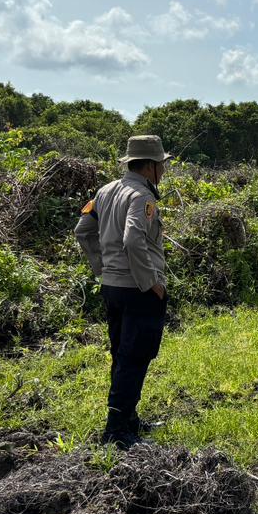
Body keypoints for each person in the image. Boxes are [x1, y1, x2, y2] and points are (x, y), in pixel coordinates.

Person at [75, 135, 170, 449]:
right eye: (162, 165)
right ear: (149, 166)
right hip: (137, 290)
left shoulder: (105, 191)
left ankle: (128, 418)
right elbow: (132, 238)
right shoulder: (142, 197)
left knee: (122, 353)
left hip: (112, 286)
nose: (164, 170)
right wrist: (151, 282)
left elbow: (83, 230)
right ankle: (117, 430)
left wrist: (102, 268)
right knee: (135, 356)